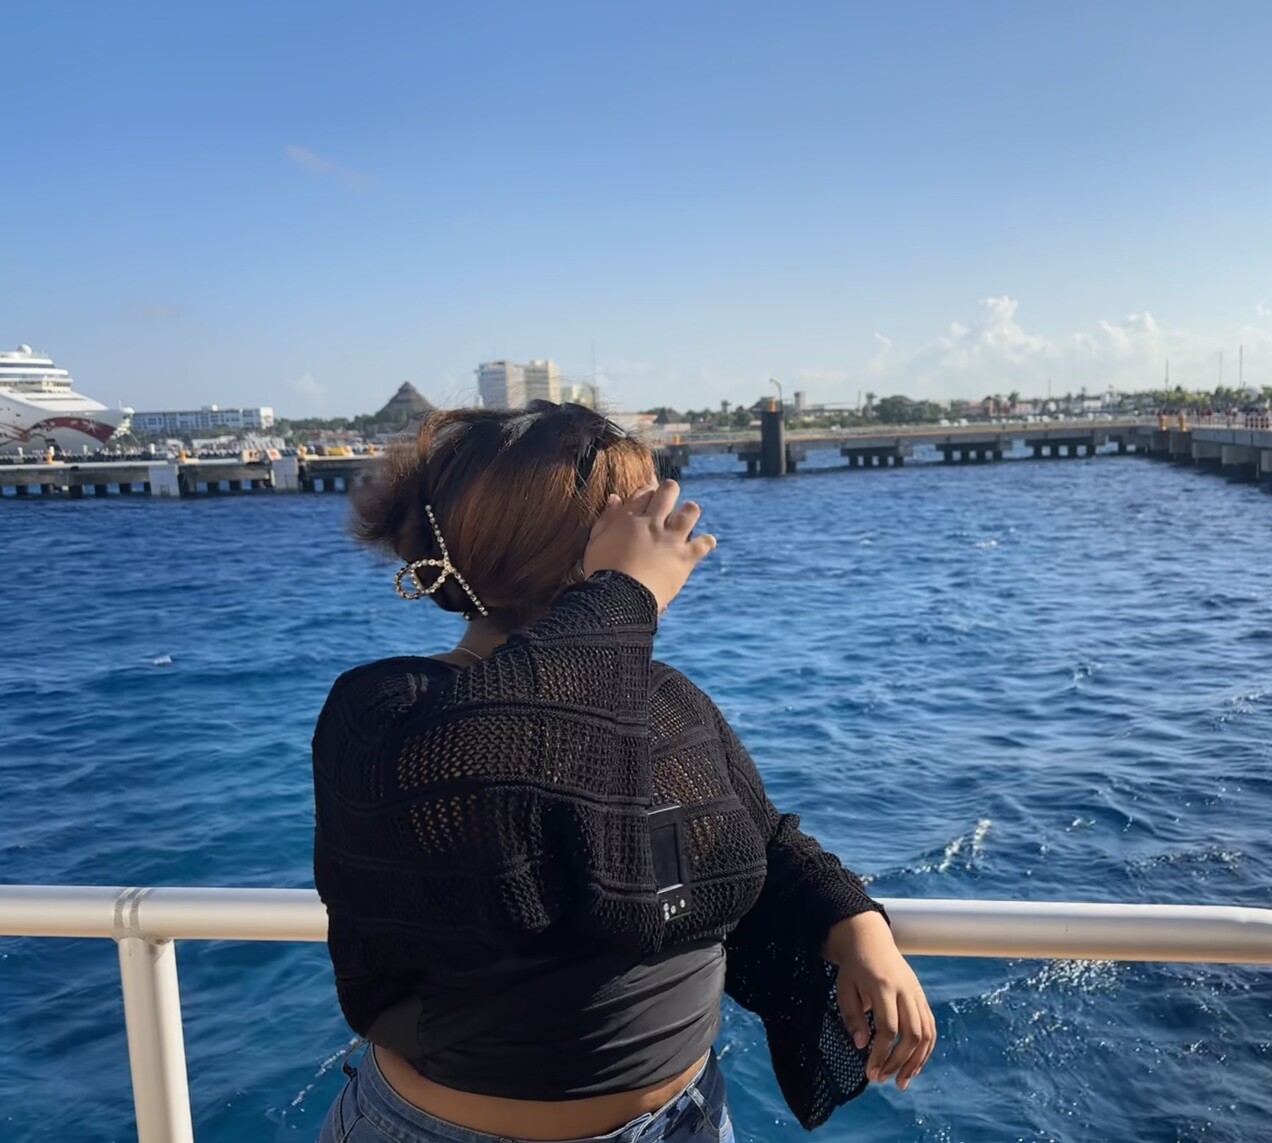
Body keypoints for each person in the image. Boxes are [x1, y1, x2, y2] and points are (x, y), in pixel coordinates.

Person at [312, 404, 933, 1143]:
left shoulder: (661, 699)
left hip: (689, 1119)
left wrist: (856, 928)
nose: (656, 527)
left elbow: (758, 840)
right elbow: (498, 767)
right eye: (632, 511)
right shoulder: (384, 711)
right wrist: (622, 593)